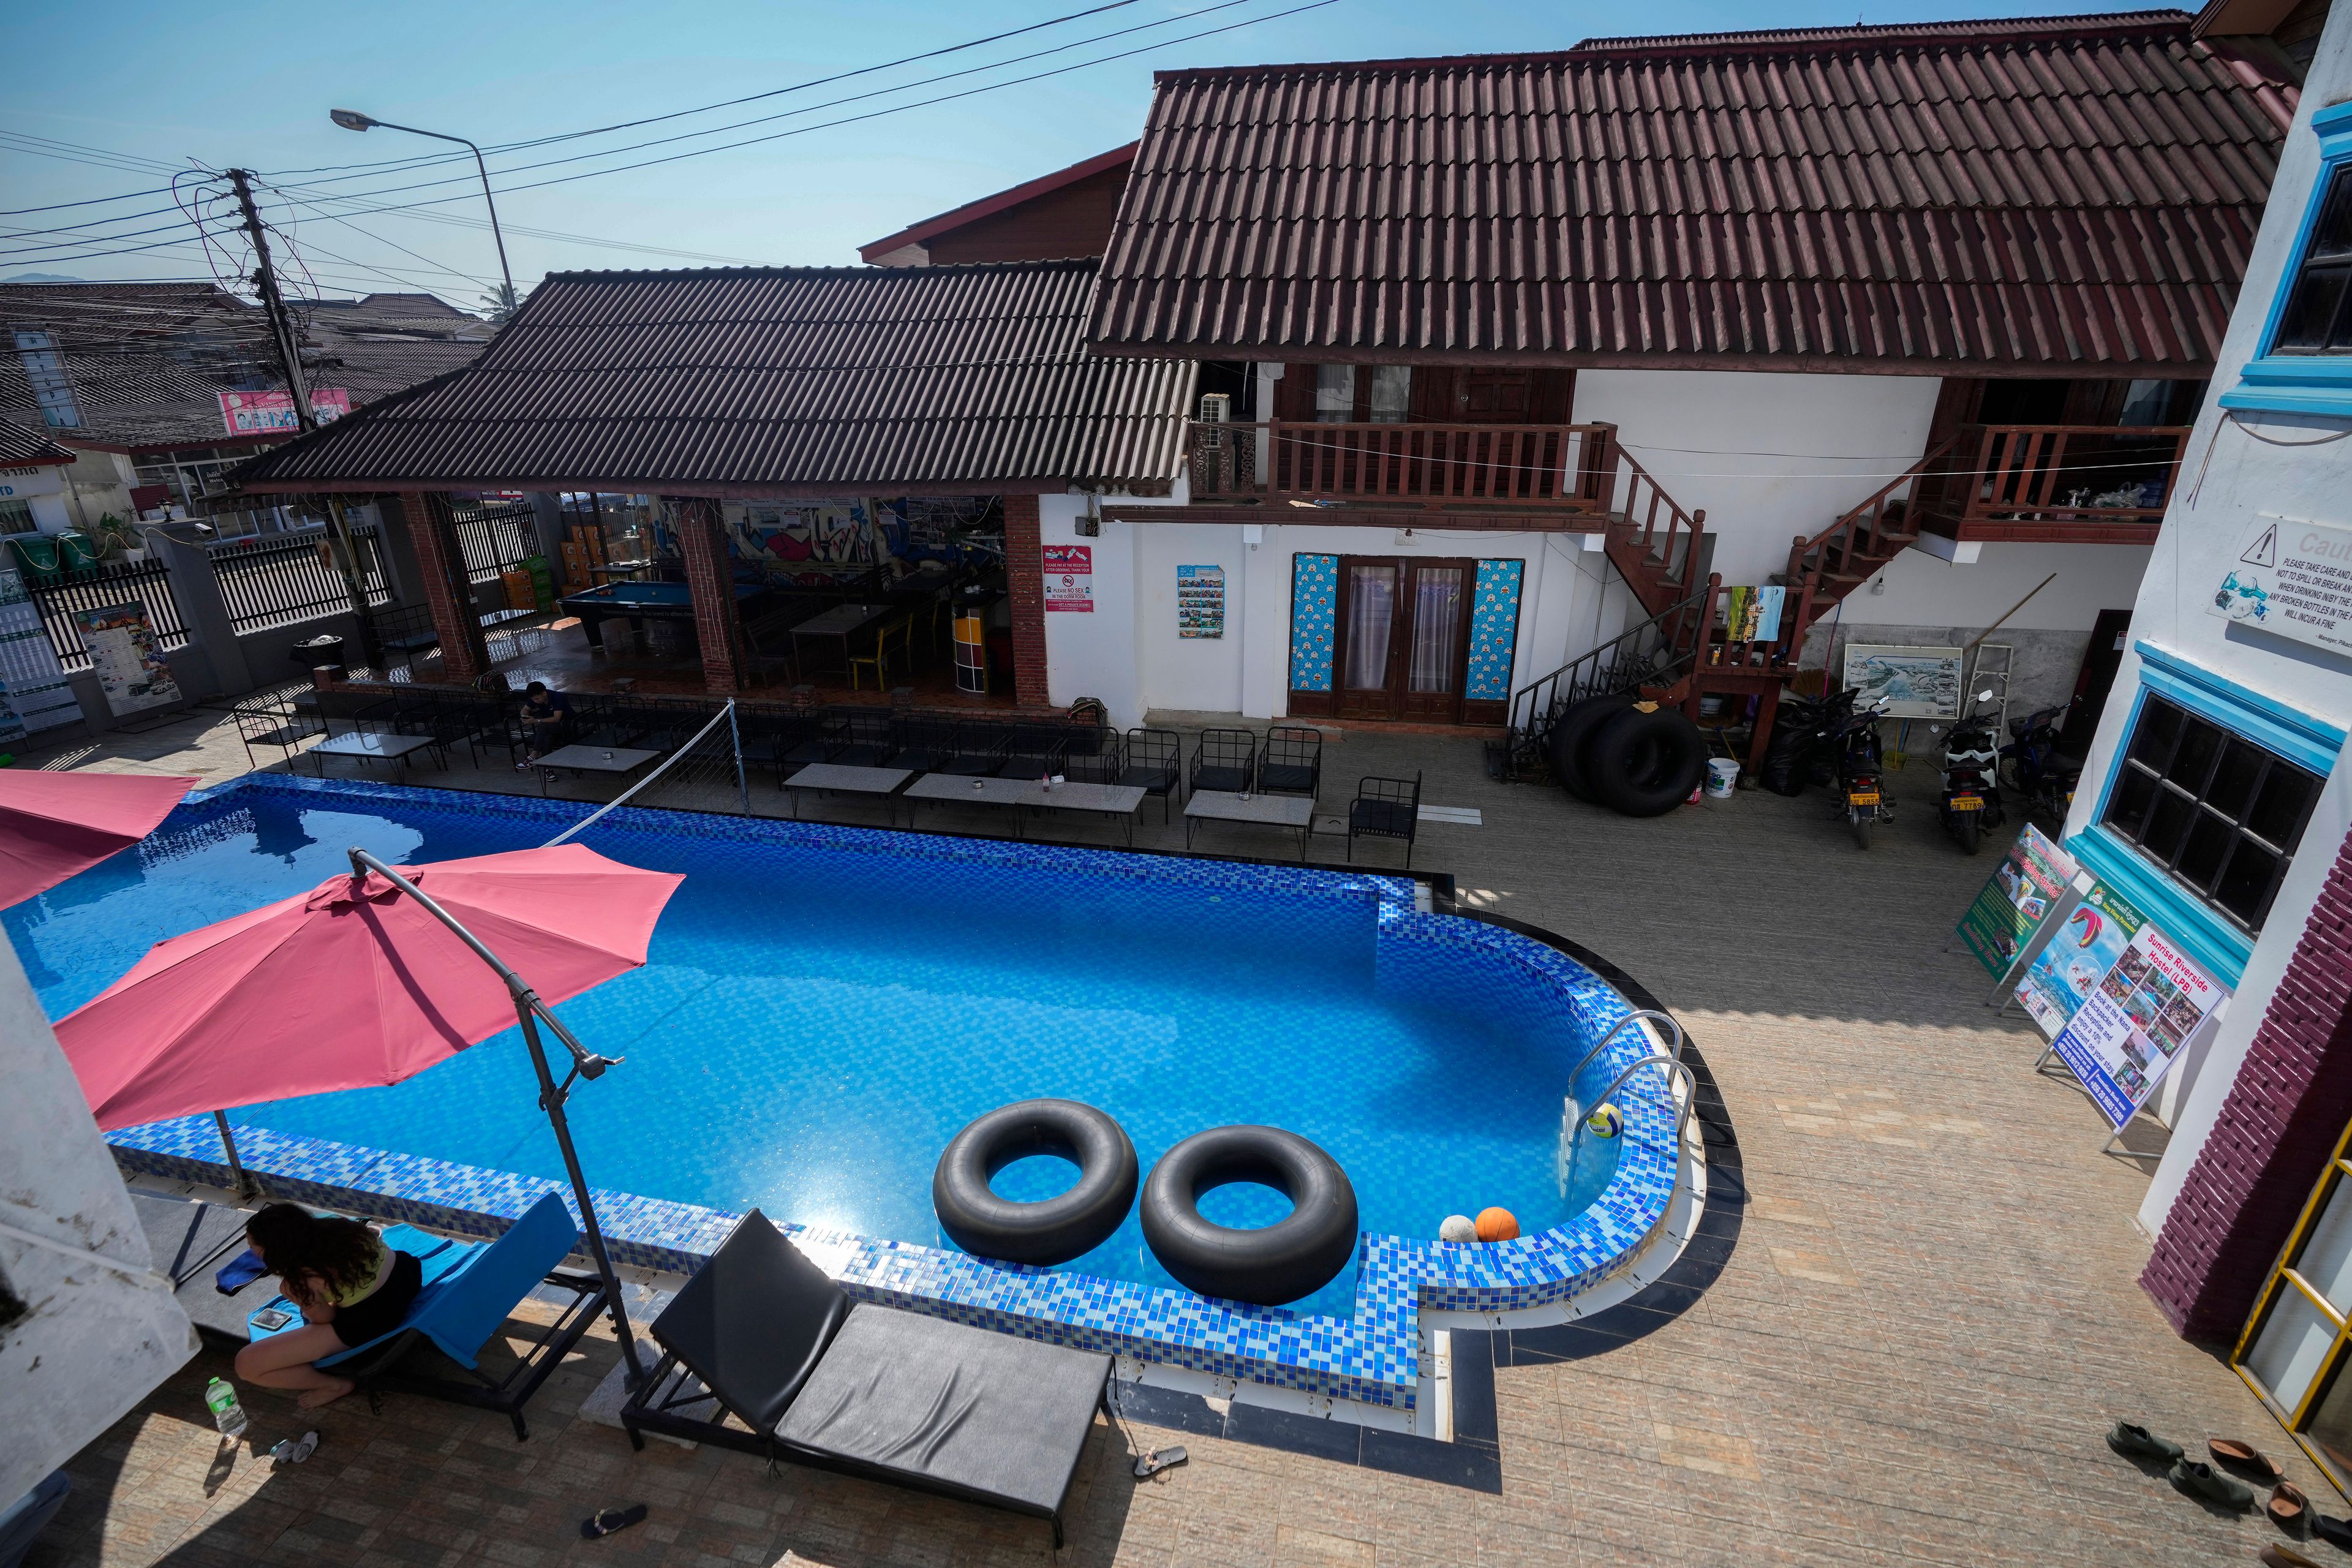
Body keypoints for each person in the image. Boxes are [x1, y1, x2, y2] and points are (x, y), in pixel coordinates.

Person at [232, 1204, 421, 1409]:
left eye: (253, 1249)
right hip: (406, 1273)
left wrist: (305, 1302)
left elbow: (325, 1318)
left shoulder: (298, 1280)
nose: (251, 1253)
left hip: (374, 1318)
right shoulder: (333, 1223)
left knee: (246, 1365)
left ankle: (332, 1386)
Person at [517, 680, 572, 766]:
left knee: (543, 726)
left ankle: (533, 755)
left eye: (537, 699)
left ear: (544, 694)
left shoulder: (557, 697)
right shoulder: (535, 697)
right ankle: (548, 770)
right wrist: (524, 717)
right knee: (547, 739)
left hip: (566, 726)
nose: (535, 701)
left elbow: (556, 719)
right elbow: (525, 710)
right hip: (551, 728)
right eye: (533, 699)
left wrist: (536, 721)